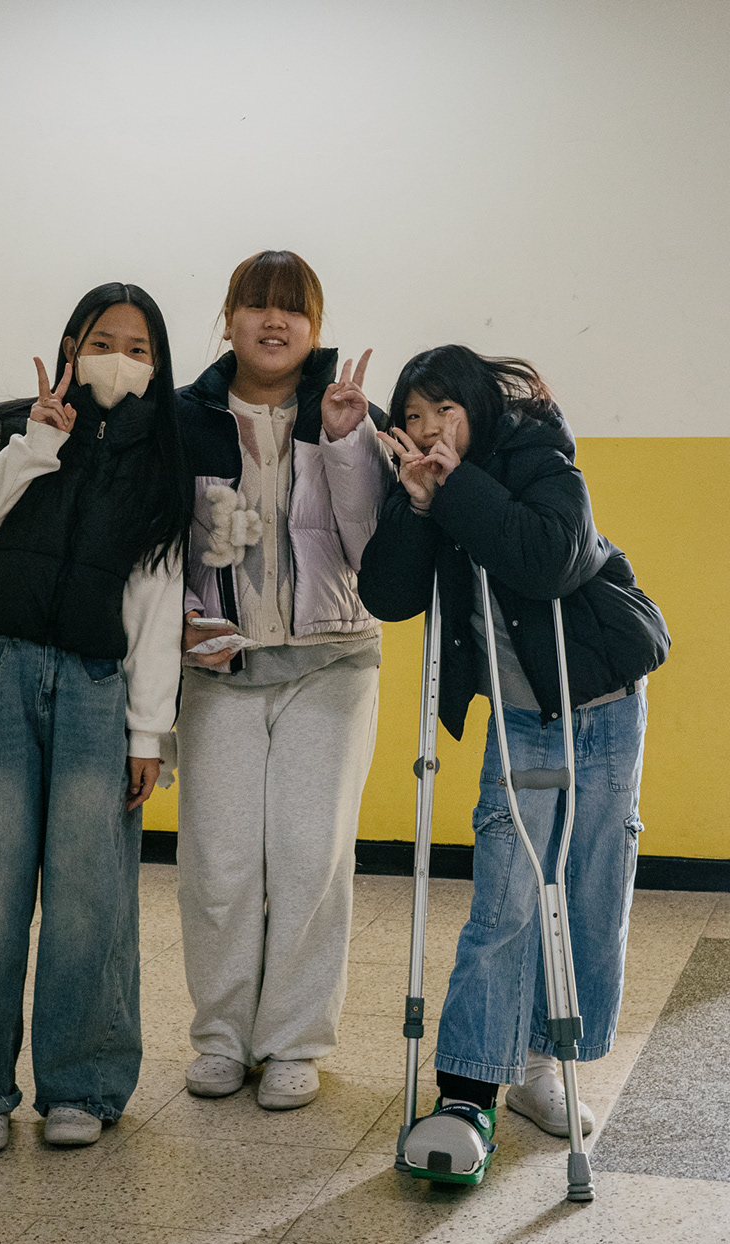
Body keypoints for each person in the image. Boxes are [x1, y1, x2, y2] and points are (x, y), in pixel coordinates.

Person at [357, 344, 668, 1178]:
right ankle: (467, 1092)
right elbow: (387, 596)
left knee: (590, 890)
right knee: (506, 899)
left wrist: (457, 488)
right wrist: (415, 505)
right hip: (521, 719)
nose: (429, 430)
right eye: (412, 417)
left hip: (605, 700)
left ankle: (538, 1066)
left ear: (478, 408)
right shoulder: (423, 485)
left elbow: (552, 556)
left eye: (444, 412)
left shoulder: (537, 453)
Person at [0, 283, 189, 1154]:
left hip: (94, 686)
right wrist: (35, 446)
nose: (121, 360)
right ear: (71, 346)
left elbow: (156, 604)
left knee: (90, 898)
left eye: (140, 349)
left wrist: (148, 733)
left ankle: (82, 1085)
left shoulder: (161, 465)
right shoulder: (11, 426)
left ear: (158, 366)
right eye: (104, 341)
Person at [174, 250, 392, 1111]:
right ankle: (221, 1037)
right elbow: (155, 543)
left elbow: (371, 547)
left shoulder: (348, 413)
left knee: (310, 856)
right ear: (228, 318)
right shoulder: (183, 417)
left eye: (293, 308)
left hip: (331, 663)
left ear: (315, 326)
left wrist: (345, 442)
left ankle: (295, 1041)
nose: (275, 321)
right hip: (218, 669)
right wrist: (182, 622)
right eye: (257, 305)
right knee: (220, 863)